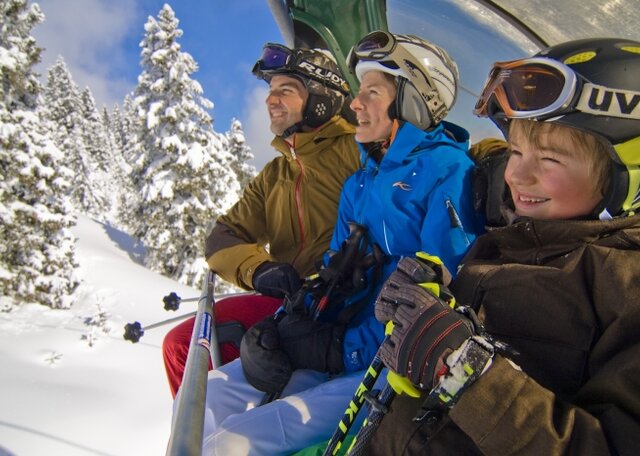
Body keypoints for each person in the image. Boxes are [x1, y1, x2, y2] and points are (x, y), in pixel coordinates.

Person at [198, 32, 485, 454]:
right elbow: (334, 273)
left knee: (232, 443)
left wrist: (340, 352)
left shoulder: (448, 173)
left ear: (409, 101)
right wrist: (286, 326)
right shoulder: (361, 180)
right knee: (213, 393)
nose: (356, 103)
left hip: (384, 365)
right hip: (347, 345)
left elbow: (432, 300)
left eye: (371, 92)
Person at [360, 37, 640, 455]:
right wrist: (439, 297)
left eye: (549, 160)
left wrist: (463, 370)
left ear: (626, 175)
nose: (516, 176)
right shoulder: (510, 242)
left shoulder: (625, 287)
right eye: (515, 151)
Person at [161, 43, 360, 398]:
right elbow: (223, 237)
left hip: (337, 302)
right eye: (271, 91)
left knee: (184, 346)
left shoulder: (356, 148)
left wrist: (491, 157)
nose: (271, 100)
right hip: (287, 301)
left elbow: (423, 157)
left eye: (286, 90)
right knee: (184, 347)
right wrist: (259, 269)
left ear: (321, 98)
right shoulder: (276, 173)